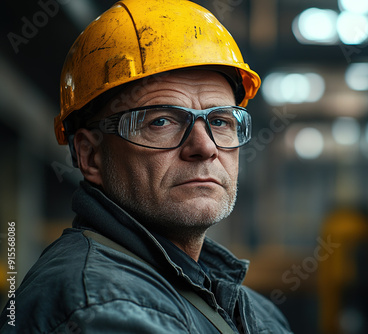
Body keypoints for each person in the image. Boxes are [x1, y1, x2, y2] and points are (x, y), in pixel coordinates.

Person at [0, 0, 292, 332]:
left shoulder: (249, 308)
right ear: (90, 155)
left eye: (221, 121)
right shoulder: (100, 307)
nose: (205, 147)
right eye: (162, 121)